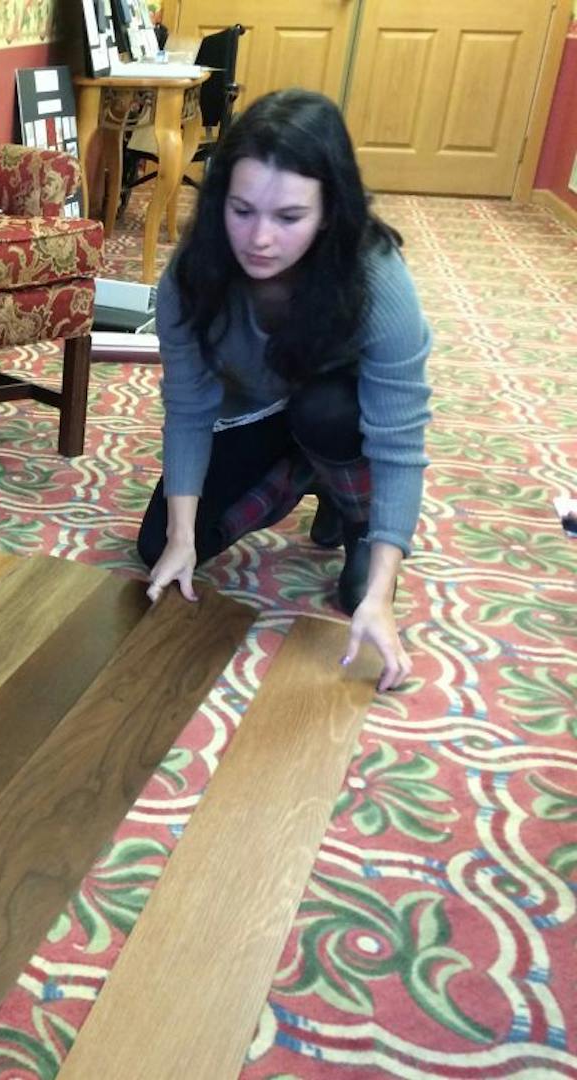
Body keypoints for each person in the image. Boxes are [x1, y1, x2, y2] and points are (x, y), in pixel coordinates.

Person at [139, 89, 432, 693]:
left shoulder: (376, 277)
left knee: (326, 412)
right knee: (157, 549)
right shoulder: (193, 276)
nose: (260, 239)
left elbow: (400, 444)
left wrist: (381, 590)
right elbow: (190, 411)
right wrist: (181, 537)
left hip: (341, 419)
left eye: (288, 217)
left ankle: (351, 514)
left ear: (328, 211)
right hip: (258, 419)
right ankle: (314, 476)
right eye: (242, 210)